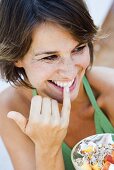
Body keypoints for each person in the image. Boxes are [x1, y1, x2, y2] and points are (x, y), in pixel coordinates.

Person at [0, 0, 114, 170]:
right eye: (50, 57)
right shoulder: (11, 109)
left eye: (79, 48)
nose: (69, 72)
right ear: (17, 57)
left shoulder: (110, 91)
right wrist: (48, 148)